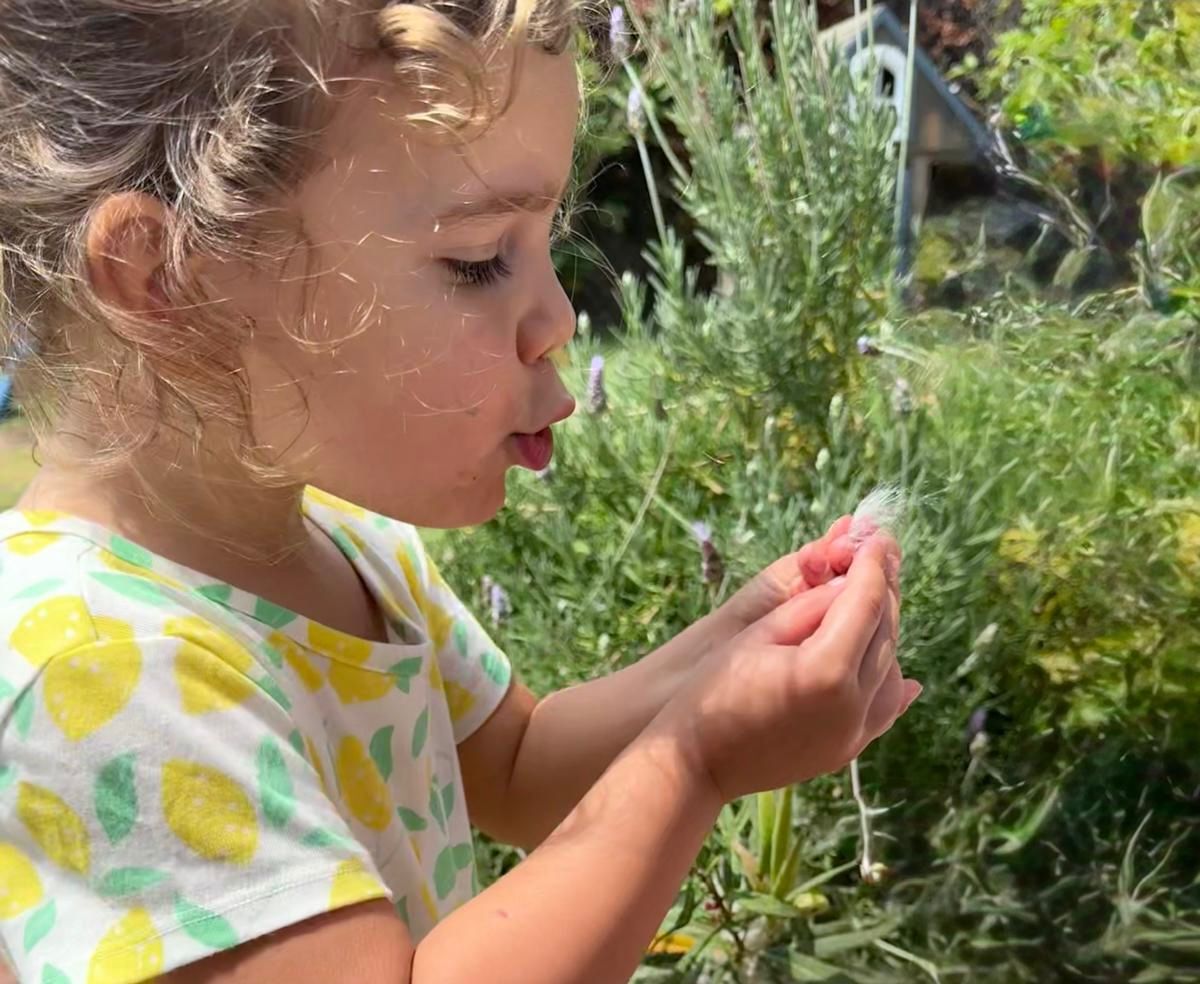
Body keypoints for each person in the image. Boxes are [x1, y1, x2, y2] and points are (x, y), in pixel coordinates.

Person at [0, 2, 920, 981]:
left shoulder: (353, 556)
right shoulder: (90, 667)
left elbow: (522, 768)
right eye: (478, 261)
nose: (560, 318)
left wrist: (737, 644)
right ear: (168, 283)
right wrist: (693, 759)